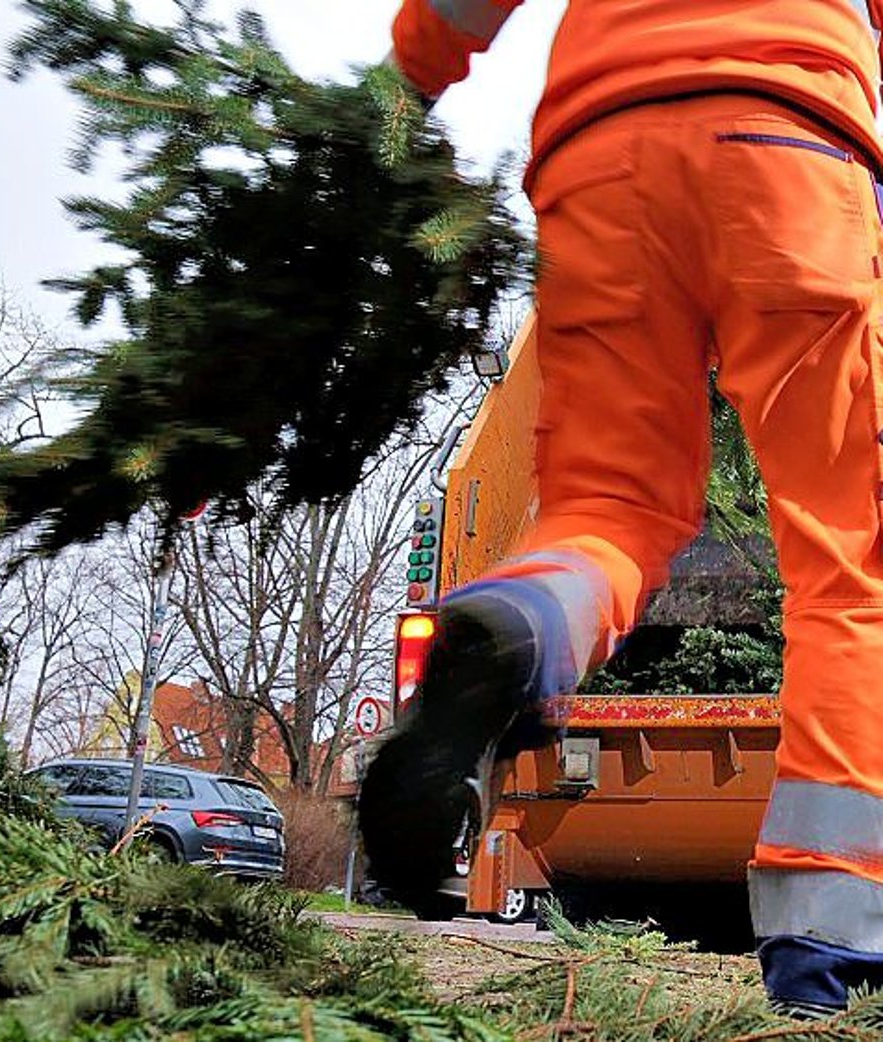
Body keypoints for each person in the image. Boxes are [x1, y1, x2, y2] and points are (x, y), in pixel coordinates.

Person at [358, 0, 883, 1020]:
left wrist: (408, 80)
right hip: (790, 140)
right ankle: (830, 952)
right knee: (845, 561)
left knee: (603, 509)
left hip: (600, 148)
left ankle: (518, 624)